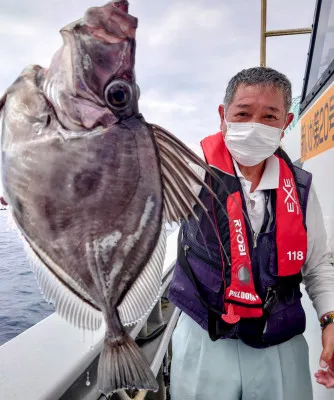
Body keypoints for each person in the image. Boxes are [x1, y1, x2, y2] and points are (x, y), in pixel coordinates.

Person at [168, 67, 334, 399]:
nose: (254, 126)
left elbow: (317, 265)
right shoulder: (190, 173)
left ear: (286, 123)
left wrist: (329, 319)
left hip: (279, 341)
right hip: (206, 337)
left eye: (269, 117)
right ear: (223, 116)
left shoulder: (301, 189)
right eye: (243, 114)